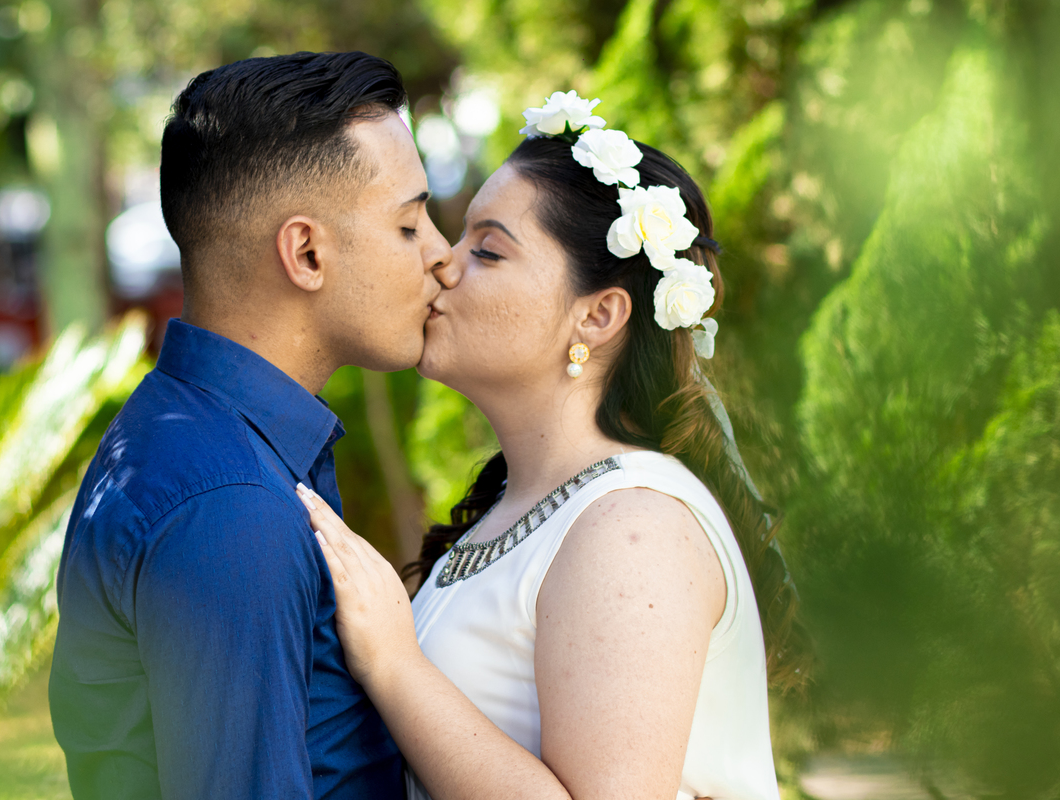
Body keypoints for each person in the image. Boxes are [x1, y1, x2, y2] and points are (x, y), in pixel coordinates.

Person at [296, 92, 810, 800]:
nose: (443, 262)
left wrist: (392, 663)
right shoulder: (531, 506)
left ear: (598, 315)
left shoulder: (634, 527)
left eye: (487, 250)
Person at [48, 51, 452, 799]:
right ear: (306, 252)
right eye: (408, 225)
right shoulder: (229, 506)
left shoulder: (204, 442)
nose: (442, 254)